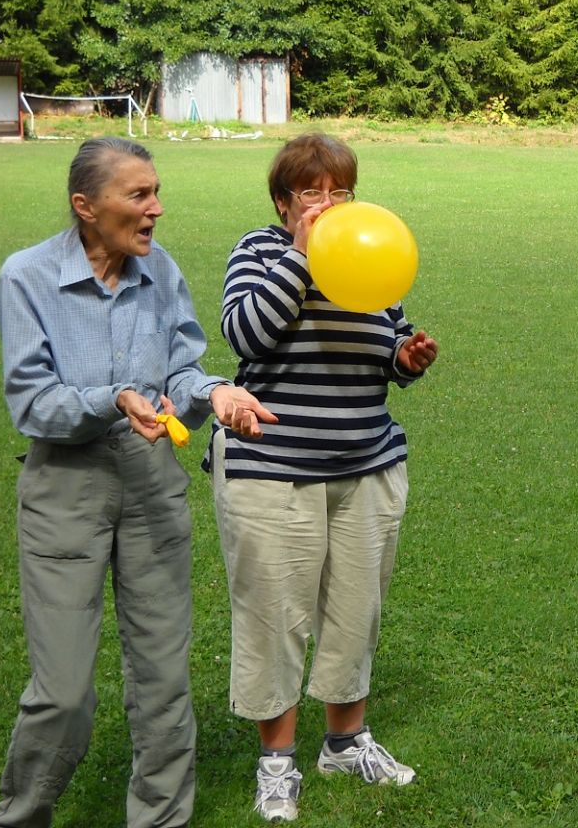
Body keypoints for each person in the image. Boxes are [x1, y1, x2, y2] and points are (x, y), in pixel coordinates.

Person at [0, 137, 276, 828]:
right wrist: (114, 398)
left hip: (151, 489)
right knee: (62, 693)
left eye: (156, 193)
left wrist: (216, 393)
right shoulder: (26, 276)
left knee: (163, 682)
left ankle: (160, 818)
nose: (156, 209)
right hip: (65, 490)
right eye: (139, 195)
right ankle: (21, 816)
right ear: (85, 206)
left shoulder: (160, 270)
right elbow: (32, 402)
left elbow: (181, 370)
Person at [209, 133, 438, 823]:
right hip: (273, 469)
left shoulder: (366, 249)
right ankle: (276, 762)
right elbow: (245, 335)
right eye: (312, 191)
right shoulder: (261, 251)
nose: (328, 203)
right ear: (284, 202)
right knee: (274, 616)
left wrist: (406, 357)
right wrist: (303, 257)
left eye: (340, 190)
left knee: (355, 612)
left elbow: (384, 339)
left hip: (366, 462)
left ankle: (345, 742)